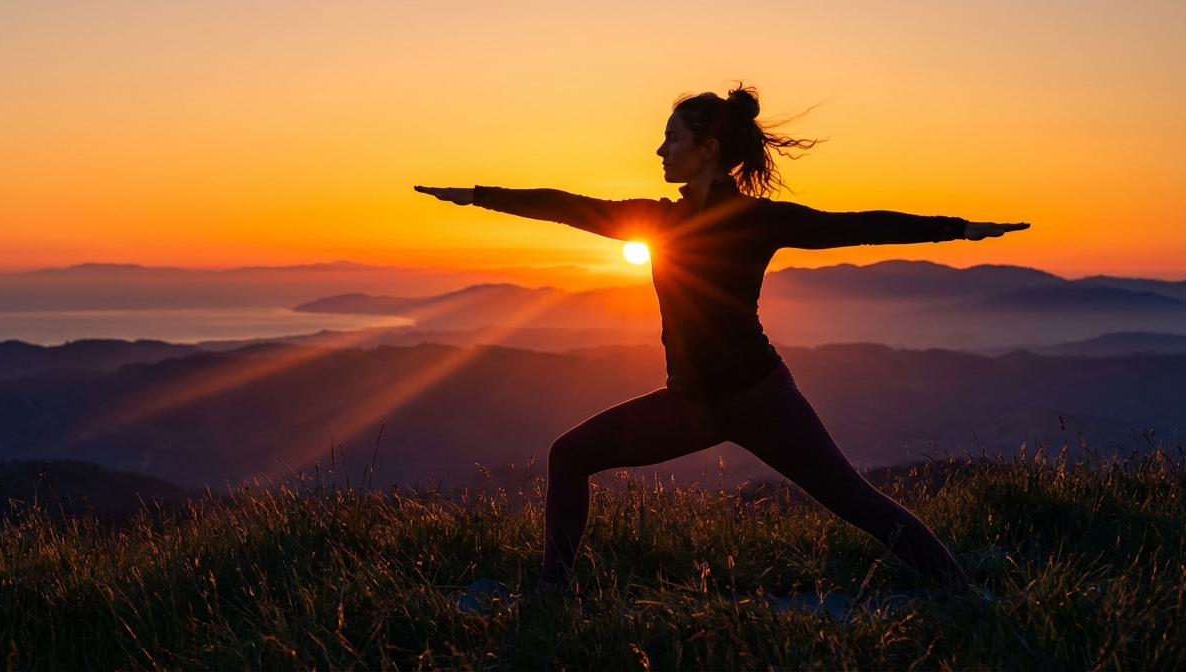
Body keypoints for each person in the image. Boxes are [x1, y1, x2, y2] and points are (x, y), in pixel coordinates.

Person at [415, 84, 1027, 593]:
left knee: (858, 504)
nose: (660, 150)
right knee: (568, 457)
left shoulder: (754, 220)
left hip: (762, 399)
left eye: (673, 139)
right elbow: (568, 206)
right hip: (692, 406)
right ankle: (552, 594)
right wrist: (477, 196)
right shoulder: (658, 220)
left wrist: (959, 228)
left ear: (708, 149)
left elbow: (858, 228)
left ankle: (967, 596)